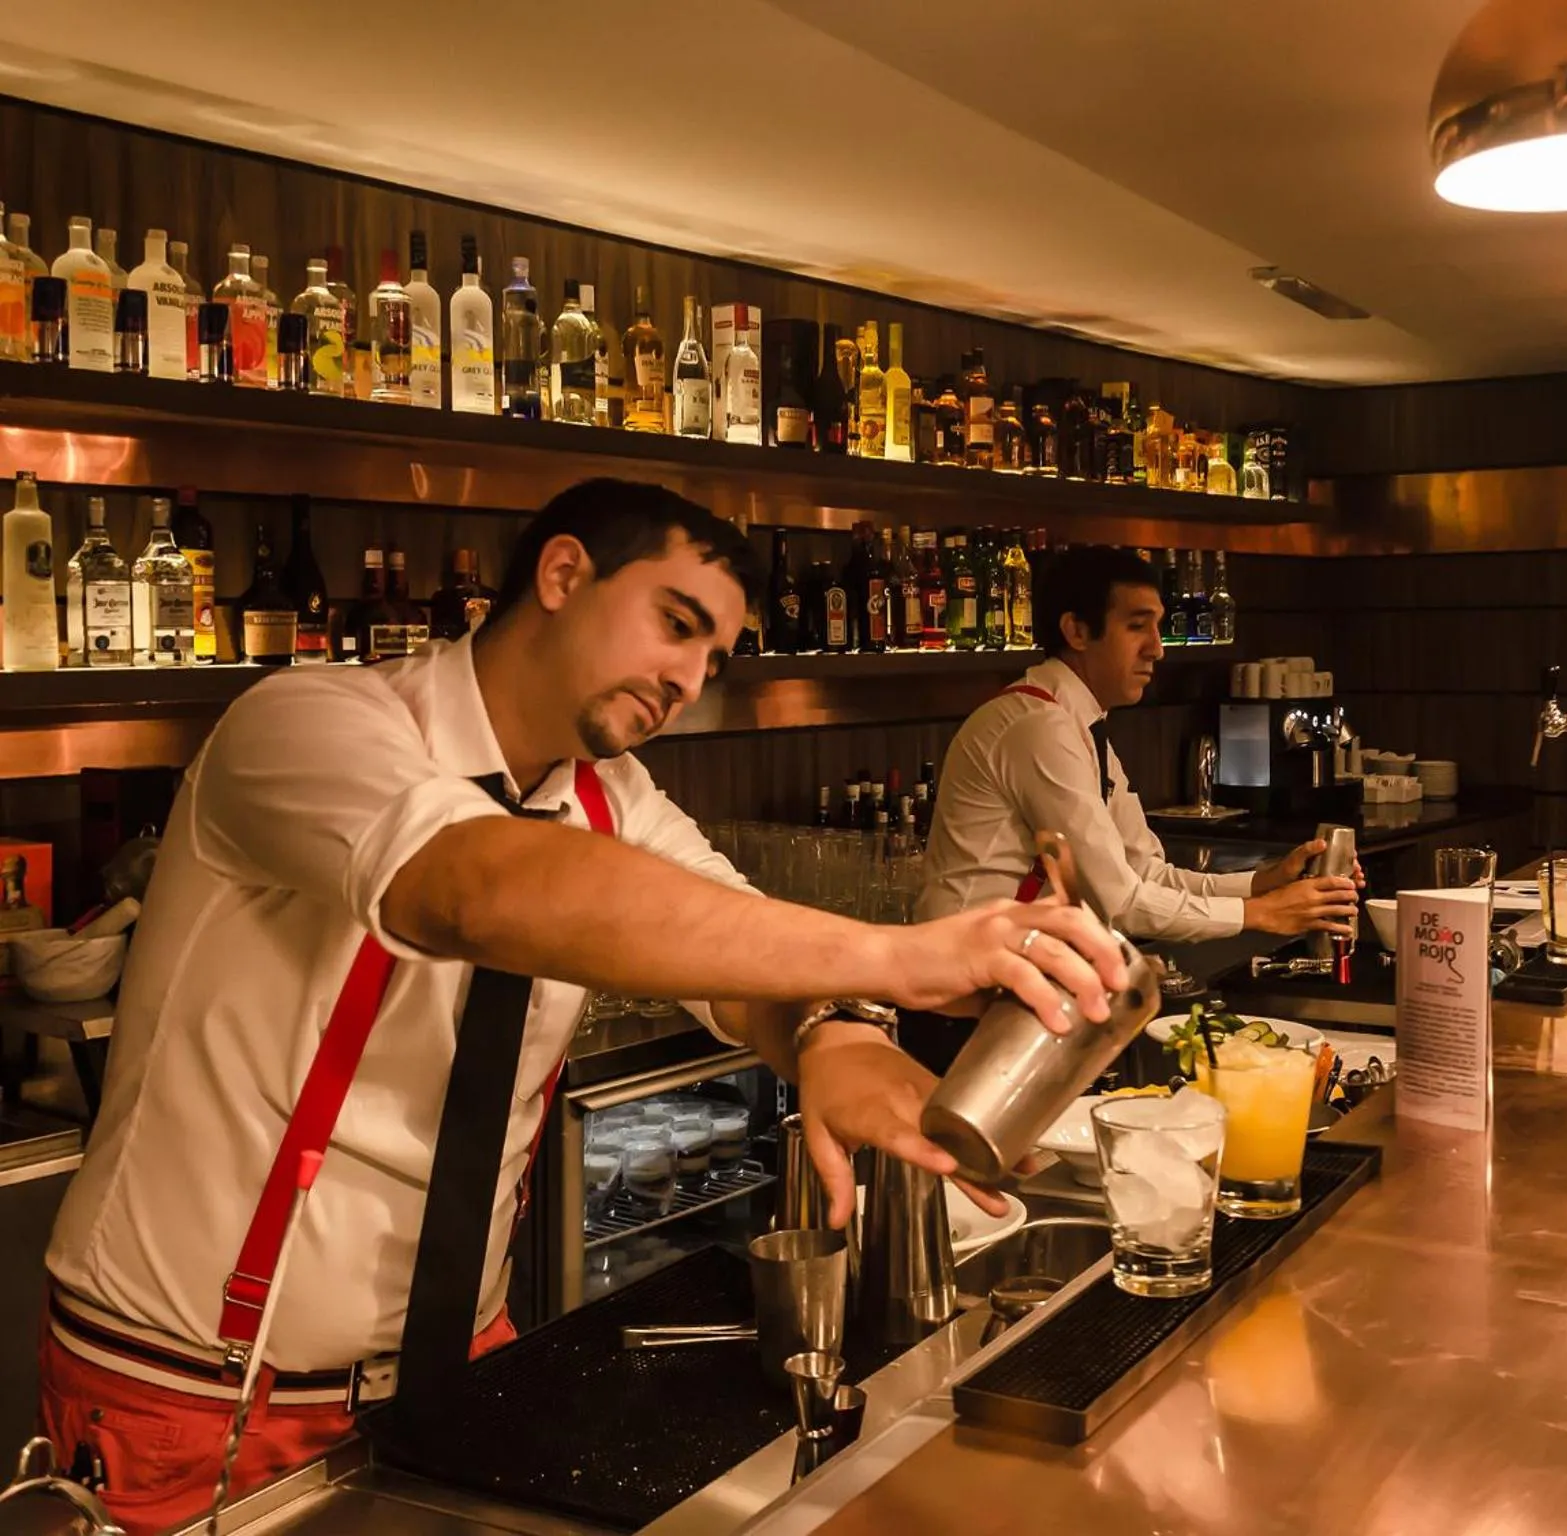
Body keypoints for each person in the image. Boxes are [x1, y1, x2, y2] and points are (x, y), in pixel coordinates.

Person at [38, 479, 1127, 1535]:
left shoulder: (611, 797)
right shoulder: (305, 725)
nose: (690, 677)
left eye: (713, 657)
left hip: (467, 1363)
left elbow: (728, 941)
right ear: (562, 573)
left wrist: (824, 1033)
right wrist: (895, 959)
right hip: (197, 1391)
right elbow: (476, 889)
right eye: (676, 623)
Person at [916, 545, 1360, 943]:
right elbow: (1122, 902)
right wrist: (1260, 913)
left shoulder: (1078, 724)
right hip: (964, 986)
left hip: (1006, 975)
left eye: (1158, 627)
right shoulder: (1037, 727)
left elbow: (1145, 873)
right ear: (1076, 631)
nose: (1156, 649)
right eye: (1136, 626)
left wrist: (1262, 883)